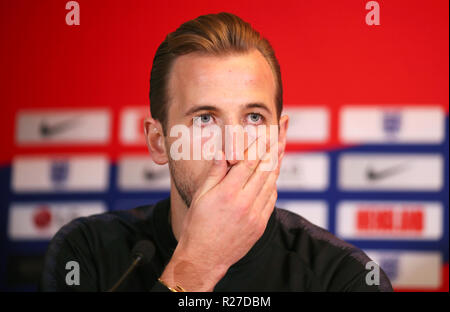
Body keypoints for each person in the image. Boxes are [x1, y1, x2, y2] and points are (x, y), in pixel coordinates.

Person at [40, 12, 392, 292]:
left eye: (254, 117)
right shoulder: (85, 253)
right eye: (205, 119)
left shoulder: (344, 278)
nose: (233, 148)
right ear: (158, 141)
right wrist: (197, 267)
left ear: (280, 139)